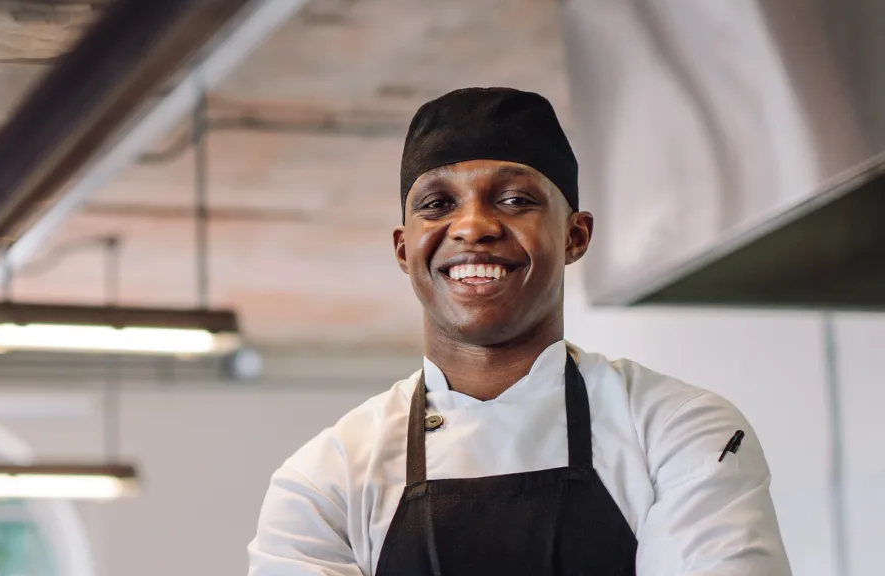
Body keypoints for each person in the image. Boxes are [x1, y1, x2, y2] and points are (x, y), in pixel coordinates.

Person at [246, 88, 790, 575]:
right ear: (403, 248)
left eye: (514, 200)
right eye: (437, 204)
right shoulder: (327, 479)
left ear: (575, 235)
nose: (472, 226)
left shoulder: (677, 430)